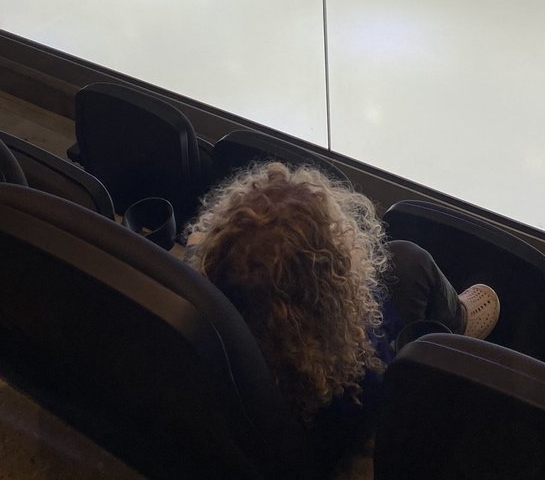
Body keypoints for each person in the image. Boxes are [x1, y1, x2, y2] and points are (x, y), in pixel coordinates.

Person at [183, 161, 499, 427]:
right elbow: (375, 365)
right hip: (339, 407)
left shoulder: (209, 323)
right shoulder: (356, 379)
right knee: (407, 260)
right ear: (326, 297)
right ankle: (456, 322)